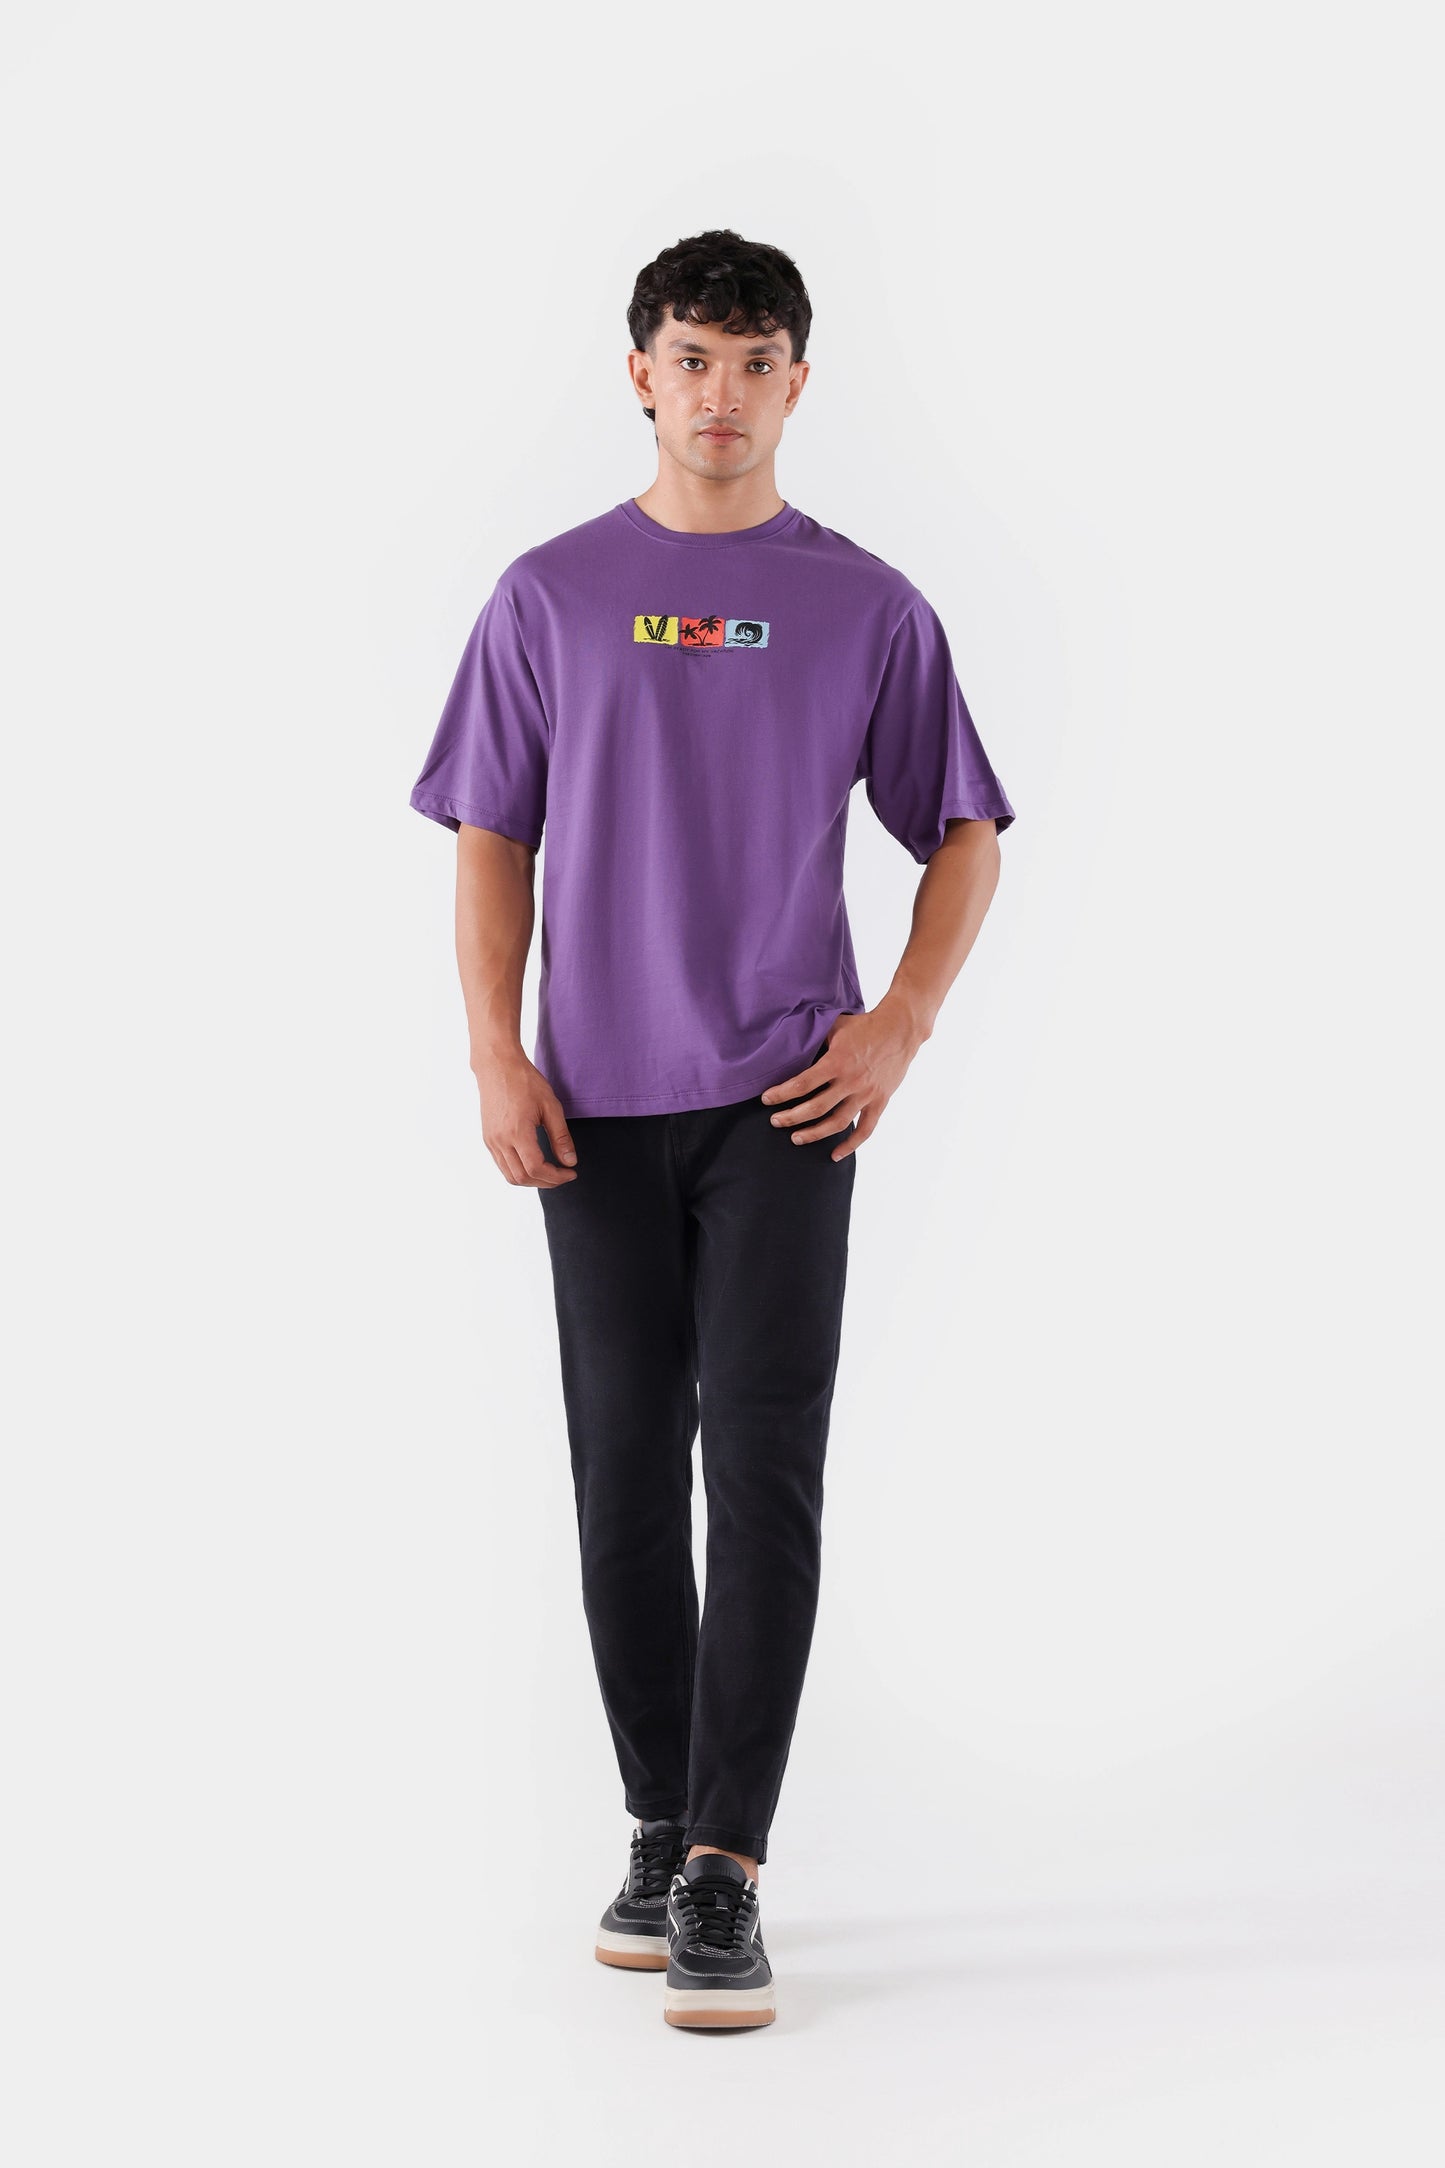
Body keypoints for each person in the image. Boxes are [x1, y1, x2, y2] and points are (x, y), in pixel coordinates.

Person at [408, 229, 1017, 2031]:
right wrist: (492, 1050)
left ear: (796, 384)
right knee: (620, 1477)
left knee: (758, 1475)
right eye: (691, 357)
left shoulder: (864, 606)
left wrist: (898, 1022)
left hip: (781, 1105)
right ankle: (656, 1823)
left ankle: (726, 1868)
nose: (721, 393)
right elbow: (492, 835)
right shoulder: (548, 597)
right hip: (591, 1101)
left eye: (755, 362)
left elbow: (963, 828)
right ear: (640, 375)